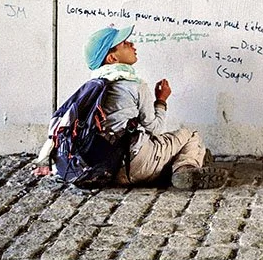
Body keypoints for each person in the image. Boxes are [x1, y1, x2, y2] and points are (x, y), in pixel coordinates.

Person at [34, 24, 223, 189]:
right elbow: (155, 129)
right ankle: (185, 169)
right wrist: (161, 101)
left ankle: (176, 165)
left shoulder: (91, 89)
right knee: (191, 135)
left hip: (101, 168)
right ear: (112, 58)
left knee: (164, 145)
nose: (132, 45)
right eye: (124, 44)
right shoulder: (135, 85)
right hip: (132, 165)